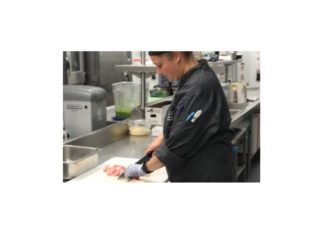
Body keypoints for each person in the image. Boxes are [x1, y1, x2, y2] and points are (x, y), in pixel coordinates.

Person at [124, 51, 235, 182]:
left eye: (159, 65)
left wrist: (143, 169)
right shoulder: (193, 76)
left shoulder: (199, 86)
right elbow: (182, 115)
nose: (158, 72)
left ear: (177, 56)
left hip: (205, 173)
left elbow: (179, 144)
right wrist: (163, 137)